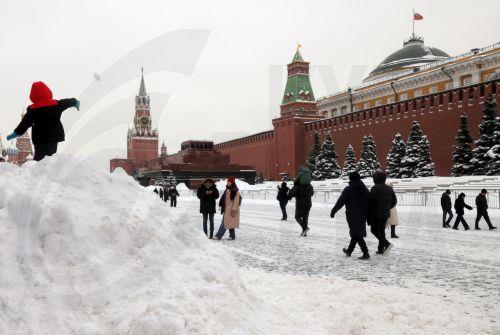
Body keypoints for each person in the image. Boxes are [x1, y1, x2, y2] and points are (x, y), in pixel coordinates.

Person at [6, 81, 80, 161]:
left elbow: (25, 124)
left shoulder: (33, 109)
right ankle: (50, 171)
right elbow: (69, 102)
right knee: (51, 158)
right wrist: (76, 102)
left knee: (39, 159)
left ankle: (39, 171)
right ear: (48, 92)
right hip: (54, 136)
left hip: (39, 138)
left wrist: (16, 133)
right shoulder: (56, 104)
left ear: (32, 96)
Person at [330, 171, 370, 260]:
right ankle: (349, 250)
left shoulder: (349, 189)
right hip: (362, 214)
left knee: (357, 234)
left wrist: (334, 210)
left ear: (350, 179)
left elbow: (341, 201)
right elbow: (369, 201)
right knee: (356, 232)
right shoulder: (364, 189)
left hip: (352, 214)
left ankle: (366, 252)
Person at [368, 171, 397, 255]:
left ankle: (386, 244)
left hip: (376, 214)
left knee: (374, 230)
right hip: (385, 213)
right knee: (381, 231)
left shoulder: (375, 188)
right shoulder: (389, 188)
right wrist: (387, 208)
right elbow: (394, 201)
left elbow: (371, 202)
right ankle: (380, 249)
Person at [289, 167, 314, 237]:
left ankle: (305, 228)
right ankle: (304, 232)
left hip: (300, 204)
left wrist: (290, 192)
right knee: (305, 218)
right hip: (308, 204)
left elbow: (292, 194)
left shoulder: (297, 186)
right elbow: (312, 193)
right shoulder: (310, 186)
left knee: (297, 217)